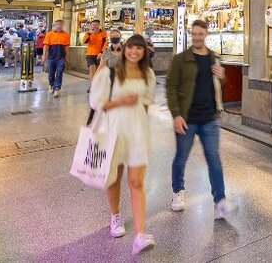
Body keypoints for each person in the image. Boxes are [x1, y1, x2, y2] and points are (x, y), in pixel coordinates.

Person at [89, 34, 156, 256]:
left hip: (137, 132)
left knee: (136, 182)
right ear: (124, 48)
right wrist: (121, 101)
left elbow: (145, 105)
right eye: (131, 47)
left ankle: (140, 234)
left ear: (145, 51)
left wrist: (144, 128)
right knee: (114, 177)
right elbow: (97, 102)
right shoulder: (110, 72)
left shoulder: (148, 75)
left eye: (139, 48)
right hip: (113, 131)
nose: (134, 52)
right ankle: (115, 216)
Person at [166, 19, 230, 218]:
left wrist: (222, 76)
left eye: (200, 34)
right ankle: (178, 192)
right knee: (180, 158)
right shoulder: (180, 59)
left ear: (206, 35)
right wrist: (176, 115)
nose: (196, 37)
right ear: (190, 34)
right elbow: (170, 87)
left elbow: (221, 86)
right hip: (188, 119)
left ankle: (219, 202)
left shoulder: (214, 58)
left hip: (209, 118)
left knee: (214, 160)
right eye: (193, 34)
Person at [42, 20, 70, 97]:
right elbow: (46, 46)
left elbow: (66, 47)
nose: (59, 26)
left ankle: (57, 88)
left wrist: (67, 57)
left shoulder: (66, 35)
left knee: (59, 72)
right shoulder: (49, 34)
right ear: (54, 25)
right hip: (51, 57)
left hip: (61, 57)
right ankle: (52, 85)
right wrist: (44, 56)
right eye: (57, 24)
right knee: (51, 73)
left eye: (61, 24)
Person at [82, 20, 108, 89]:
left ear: (99, 25)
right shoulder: (89, 33)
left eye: (96, 25)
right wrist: (88, 34)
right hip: (90, 54)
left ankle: (96, 85)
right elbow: (84, 41)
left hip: (99, 55)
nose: (94, 26)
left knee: (97, 71)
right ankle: (92, 86)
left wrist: (101, 52)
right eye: (93, 25)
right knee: (92, 68)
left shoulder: (103, 33)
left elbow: (105, 44)